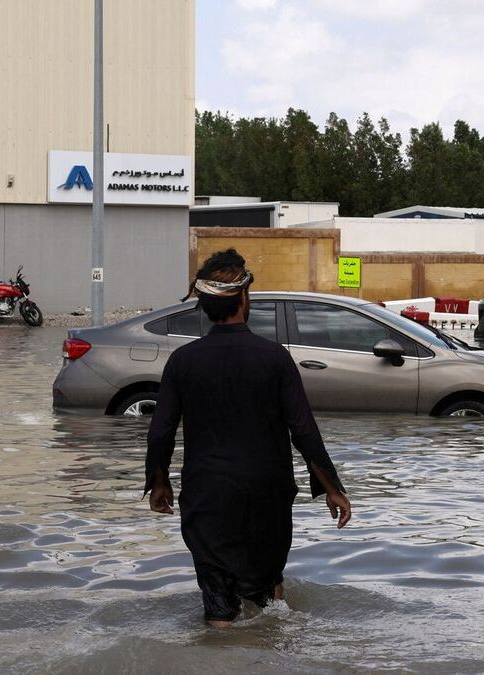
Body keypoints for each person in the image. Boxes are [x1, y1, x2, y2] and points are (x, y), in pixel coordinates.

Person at [145, 248, 351, 628]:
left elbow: (161, 432)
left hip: (207, 494)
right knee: (267, 595)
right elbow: (303, 429)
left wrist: (158, 484)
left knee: (219, 607)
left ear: (205, 306)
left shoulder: (183, 361)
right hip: (266, 494)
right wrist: (332, 487)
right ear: (244, 298)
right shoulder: (274, 358)